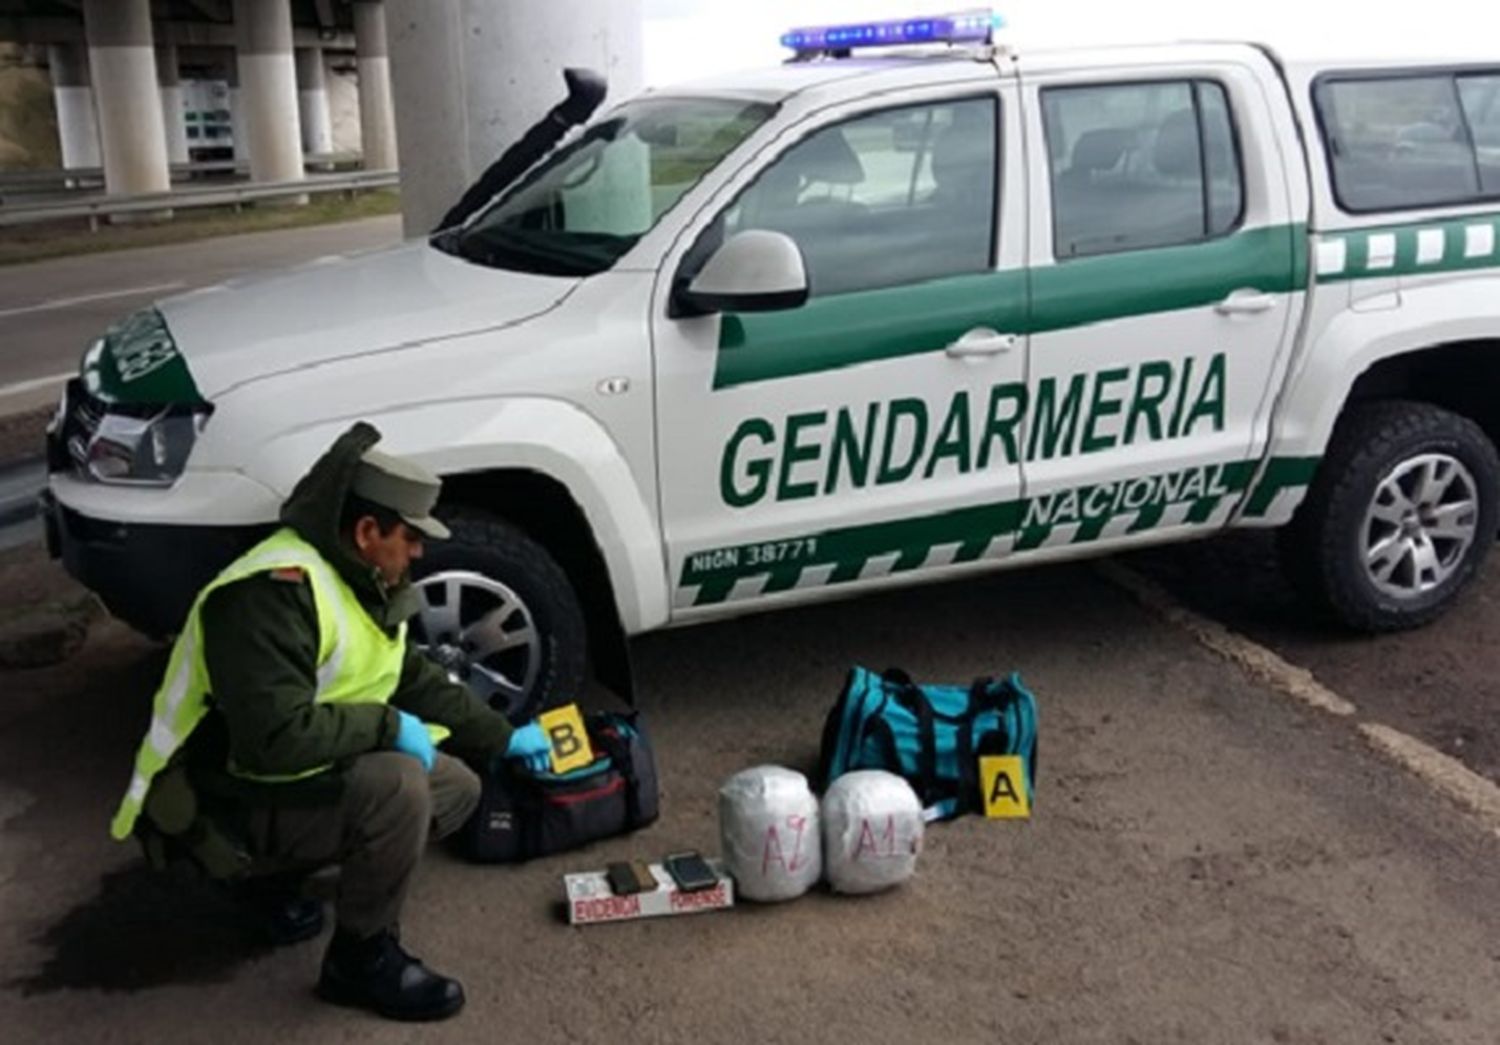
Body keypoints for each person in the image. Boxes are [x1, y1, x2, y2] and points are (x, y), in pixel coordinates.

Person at [109, 421, 554, 1022]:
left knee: (458, 789)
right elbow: (274, 740)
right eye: (411, 538)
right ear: (368, 531)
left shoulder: (358, 576)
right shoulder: (269, 594)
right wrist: (387, 727)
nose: (419, 552)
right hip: (218, 793)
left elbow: (408, 675)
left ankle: (278, 881)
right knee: (399, 788)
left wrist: (501, 738)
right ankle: (358, 956)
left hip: (285, 775)